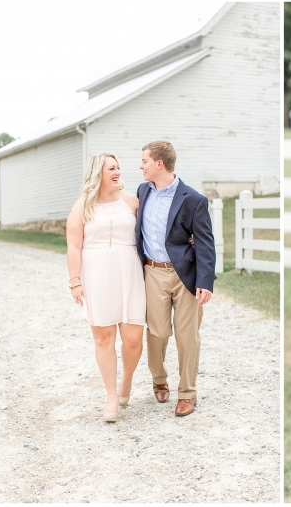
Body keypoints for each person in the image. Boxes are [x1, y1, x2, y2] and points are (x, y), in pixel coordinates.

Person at [135, 140, 216, 417]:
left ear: (159, 163)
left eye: (144, 160)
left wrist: (205, 281)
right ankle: (158, 378)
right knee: (156, 332)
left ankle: (187, 393)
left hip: (186, 276)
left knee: (187, 336)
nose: (140, 165)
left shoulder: (193, 200)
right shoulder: (142, 191)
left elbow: (206, 242)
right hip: (152, 272)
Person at [66, 153, 146, 423]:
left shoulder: (132, 203)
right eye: (111, 168)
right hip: (96, 275)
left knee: (134, 338)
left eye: (118, 168)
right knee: (104, 338)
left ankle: (127, 380)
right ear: (97, 173)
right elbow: (73, 246)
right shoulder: (82, 207)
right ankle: (112, 395)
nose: (117, 172)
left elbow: (157, 228)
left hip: (130, 273)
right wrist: (75, 281)